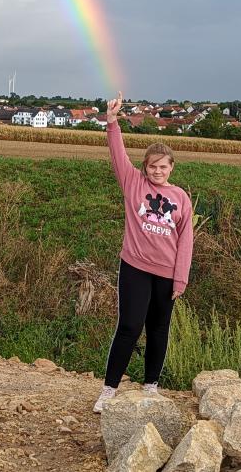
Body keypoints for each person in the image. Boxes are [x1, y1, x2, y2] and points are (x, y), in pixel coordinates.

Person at [93, 91, 194, 412]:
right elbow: (117, 154)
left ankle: (151, 387)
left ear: (172, 167)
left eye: (163, 166)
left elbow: (186, 240)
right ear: (145, 167)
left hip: (167, 275)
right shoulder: (133, 183)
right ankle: (109, 390)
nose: (157, 171)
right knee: (129, 326)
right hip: (135, 268)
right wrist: (112, 121)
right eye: (152, 166)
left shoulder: (181, 198)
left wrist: (181, 280)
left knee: (158, 330)